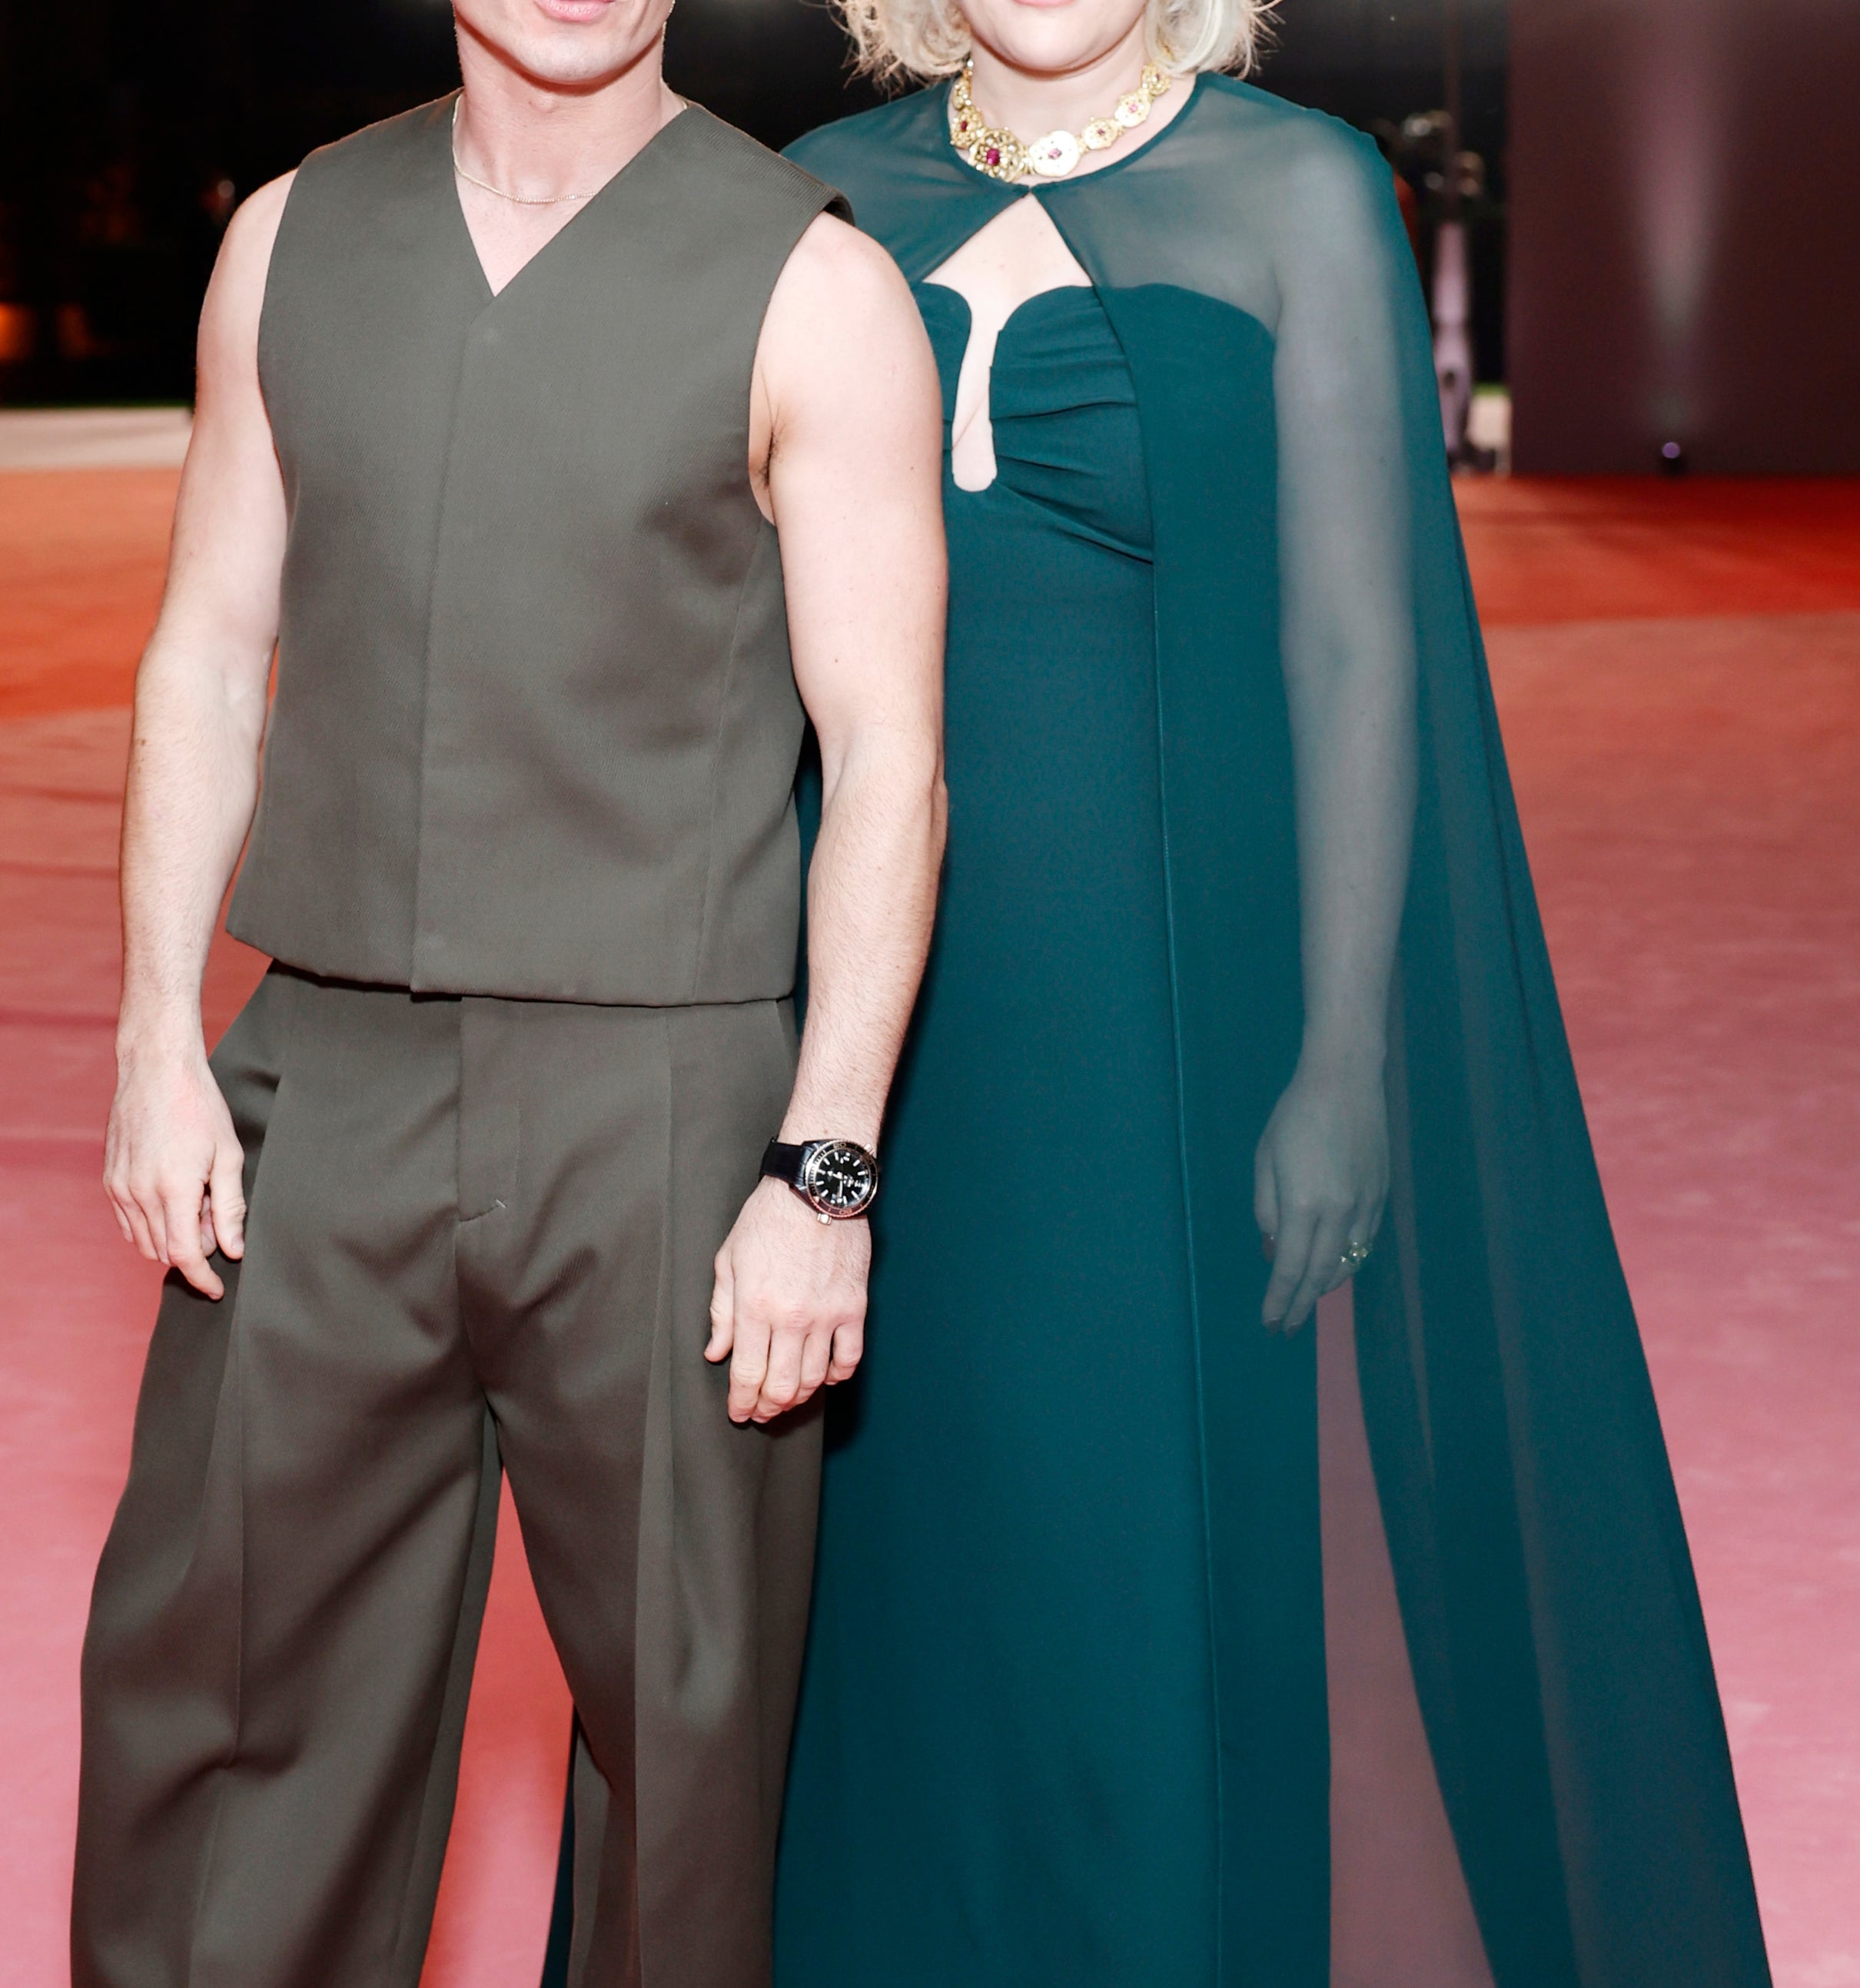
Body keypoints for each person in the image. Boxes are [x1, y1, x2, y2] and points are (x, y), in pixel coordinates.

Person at [753, 0, 1770, 1983]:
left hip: (1158, 1033)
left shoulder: (1299, 188)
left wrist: (1339, 1061)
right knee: (888, 1569)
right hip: (863, 1029)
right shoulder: (813, 199)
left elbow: (1351, 650)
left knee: (1129, 1559)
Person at [72, 0, 946, 1980]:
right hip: (323, 1077)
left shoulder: (813, 287)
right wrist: (153, 1037)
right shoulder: (291, 241)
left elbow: (889, 758)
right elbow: (208, 654)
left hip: (668, 1107)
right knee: (215, 1701)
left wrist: (825, 1172)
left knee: (686, 1753)